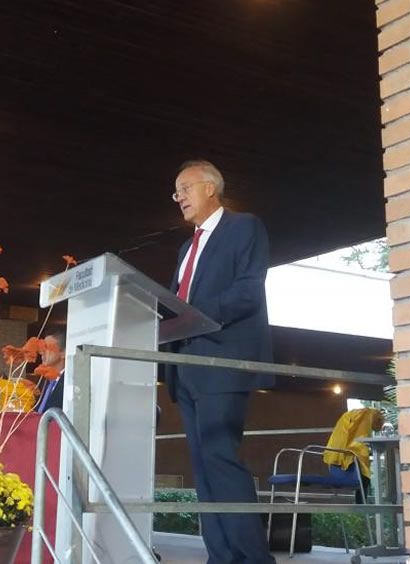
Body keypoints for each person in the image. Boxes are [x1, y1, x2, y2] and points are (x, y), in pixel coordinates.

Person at [162, 160, 275, 564]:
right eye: (176, 192)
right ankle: (221, 557)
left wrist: (193, 315)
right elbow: (177, 300)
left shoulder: (244, 227)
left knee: (221, 459)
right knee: (203, 468)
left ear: (210, 187)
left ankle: (253, 559)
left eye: (185, 188)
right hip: (185, 365)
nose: (179, 198)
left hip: (222, 360)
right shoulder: (185, 248)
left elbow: (247, 291)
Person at [35, 332, 66, 413]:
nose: (42, 352)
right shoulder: (44, 381)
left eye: (47, 347)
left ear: (63, 353)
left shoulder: (68, 382)